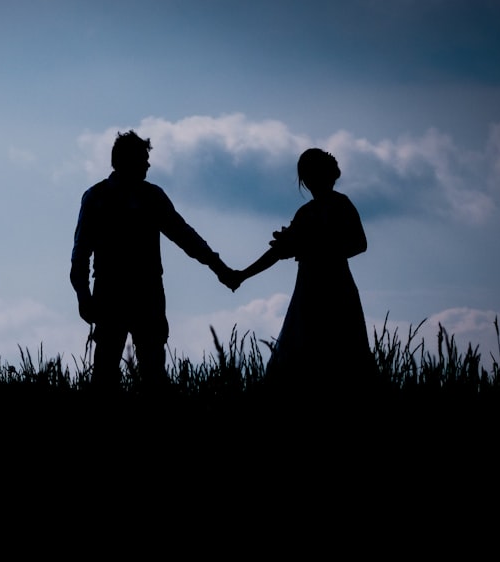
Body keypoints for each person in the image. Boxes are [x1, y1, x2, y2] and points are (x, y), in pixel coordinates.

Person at [70, 130, 236, 392]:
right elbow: (80, 254)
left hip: (140, 292)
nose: (148, 164)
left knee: (150, 370)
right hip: (116, 292)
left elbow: (185, 236)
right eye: (143, 158)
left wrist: (219, 268)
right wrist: (82, 295)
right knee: (108, 372)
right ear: (126, 161)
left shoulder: (147, 196)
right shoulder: (99, 198)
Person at [230, 148, 376, 396]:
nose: (309, 181)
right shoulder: (305, 213)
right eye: (306, 175)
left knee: (339, 351)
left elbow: (359, 244)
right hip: (308, 292)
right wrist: (243, 274)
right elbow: (278, 252)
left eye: (311, 174)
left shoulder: (341, 204)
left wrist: (316, 247)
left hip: (336, 289)